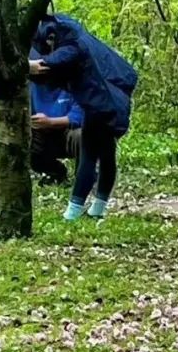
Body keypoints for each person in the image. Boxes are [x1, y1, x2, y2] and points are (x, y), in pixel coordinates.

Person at [29, 13, 138, 221]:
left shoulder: (72, 47)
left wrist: (23, 65)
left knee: (89, 155)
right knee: (107, 155)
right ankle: (98, 208)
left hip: (101, 106)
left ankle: (73, 212)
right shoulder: (83, 39)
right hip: (113, 103)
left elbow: (43, 66)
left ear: (52, 38)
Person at [28, 63, 83, 185]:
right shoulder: (30, 86)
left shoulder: (75, 83)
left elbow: (80, 116)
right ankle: (54, 172)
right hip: (41, 135)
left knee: (83, 135)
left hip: (68, 132)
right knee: (25, 138)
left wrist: (50, 122)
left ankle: (84, 178)